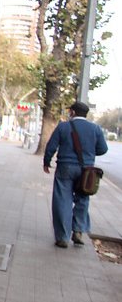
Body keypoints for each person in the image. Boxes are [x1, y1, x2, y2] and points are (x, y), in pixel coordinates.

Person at [43, 101, 108, 248]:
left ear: (72, 112)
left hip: (65, 167)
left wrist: (47, 161)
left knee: (62, 200)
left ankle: (63, 237)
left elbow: (51, 146)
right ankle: (78, 230)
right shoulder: (95, 128)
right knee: (83, 198)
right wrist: (89, 152)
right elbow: (103, 149)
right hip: (87, 171)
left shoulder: (63, 126)